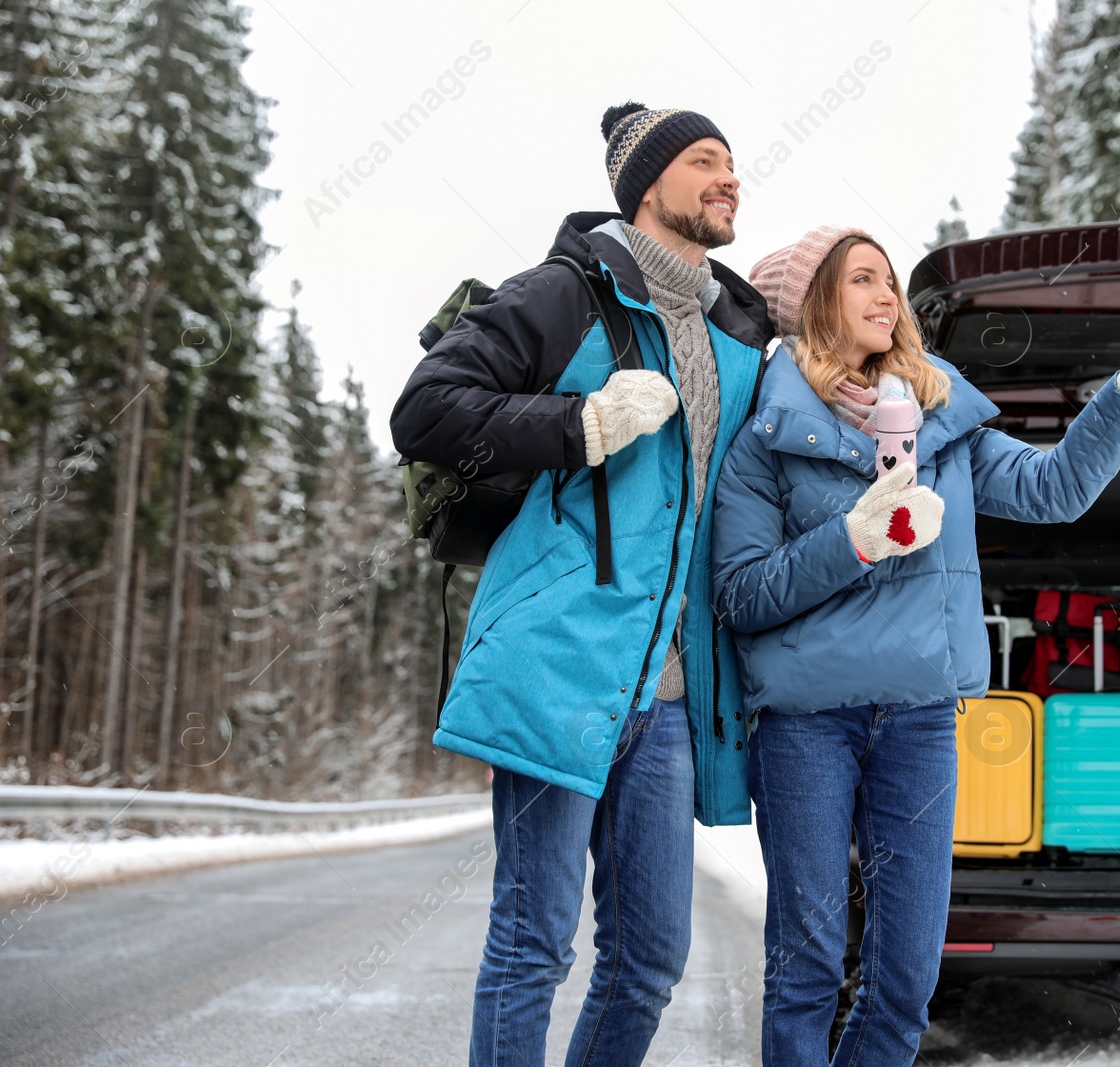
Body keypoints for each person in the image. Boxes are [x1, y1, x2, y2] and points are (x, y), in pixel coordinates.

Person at [711, 226, 1120, 1066]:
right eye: (861, 279)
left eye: (890, 281)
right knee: (805, 963)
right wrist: (856, 539)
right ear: (811, 309)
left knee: (905, 972)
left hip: (918, 720)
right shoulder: (763, 441)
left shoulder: (943, 417)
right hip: (805, 727)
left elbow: (1057, 489)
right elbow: (742, 593)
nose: (886, 296)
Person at [390, 102, 773, 1067]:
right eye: (704, 160)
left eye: (734, 162)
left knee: (650, 955)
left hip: (671, 695)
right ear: (648, 186)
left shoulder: (735, 332)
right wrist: (581, 425)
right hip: (559, 660)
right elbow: (426, 409)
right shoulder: (567, 294)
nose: (730, 176)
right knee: (533, 942)